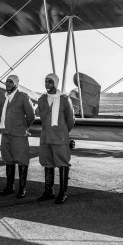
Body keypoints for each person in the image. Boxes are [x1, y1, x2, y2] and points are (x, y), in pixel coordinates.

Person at [36, 73, 75, 204]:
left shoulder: (64, 99)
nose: (47, 84)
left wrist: (63, 132)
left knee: (63, 162)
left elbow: (70, 119)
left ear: (56, 84)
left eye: (50, 81)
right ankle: (49, 191)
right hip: (46, 136)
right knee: (47, 162)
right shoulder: (41, 100)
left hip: (59, 137)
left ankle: (63, 193)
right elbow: (42, 118)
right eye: (46, 81)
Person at [0, 75, 35, 198]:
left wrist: (23, 127)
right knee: (8, 160)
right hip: (6, 134)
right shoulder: (3, 99)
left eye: (10, 82)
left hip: (19, 134)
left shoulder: (23, 97)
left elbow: (31, 115)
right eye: (6, 81)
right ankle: (10, 187)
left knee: (21, 160)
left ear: (15, 84)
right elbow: (1, 115)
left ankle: (22, 189)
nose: (7, 83)